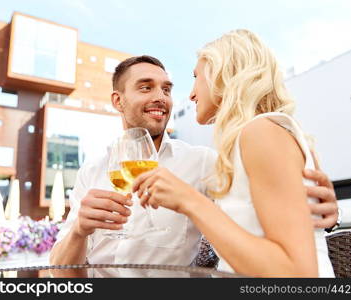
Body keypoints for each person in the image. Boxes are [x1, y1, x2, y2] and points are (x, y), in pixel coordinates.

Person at [49, 54, 338, 277]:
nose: (160, 98)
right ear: (118, 101)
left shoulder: (203, 162)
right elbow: (59, 271)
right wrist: (78, 231)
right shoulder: (92, 169)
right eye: (145, 88)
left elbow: (264, 200)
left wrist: (321, 206)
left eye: (166, 89)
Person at [132, 31, 335, 277]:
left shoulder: (261, 133)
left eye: (197, 77)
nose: (192, 94)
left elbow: (298, 275)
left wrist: (190, 201)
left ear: (224, 75)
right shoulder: (256, 137)